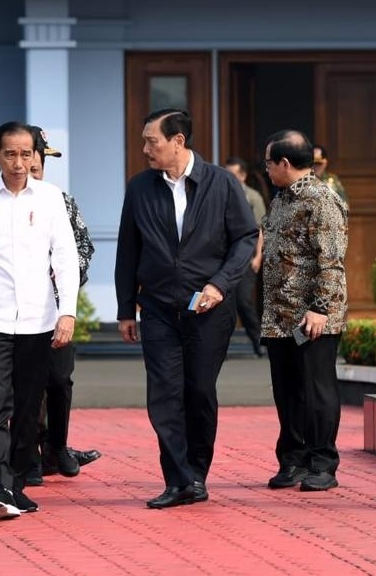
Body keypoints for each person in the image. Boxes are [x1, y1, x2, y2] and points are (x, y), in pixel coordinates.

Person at [114, 109, 257, 509]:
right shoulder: (140, 187)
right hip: (158, 307)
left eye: (151, 141)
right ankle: (178, 479)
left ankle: (197, 473)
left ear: (178, 141)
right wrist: (127, 308)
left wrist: (220, 284)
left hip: (209, 309)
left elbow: (245, 238)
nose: (145, 149)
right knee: (163, 393)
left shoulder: (222, 183)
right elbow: (129, 249)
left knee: (198, 390)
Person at [0, 121, 79, 520]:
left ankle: (17, 484)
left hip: (38, 320)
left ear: (35, 156)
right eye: (11, 153)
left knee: (28, 408)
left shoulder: (50, 198)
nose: (19, 161)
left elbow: (65, 257)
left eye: (26, 154)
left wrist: (67, 311)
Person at [259, 131, 348, 492]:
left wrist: (320, 308)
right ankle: (292, 460)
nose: (264, 170)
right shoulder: (281, 200)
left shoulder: (321, 199)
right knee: (288, 391)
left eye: (267, 163)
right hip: (280, 317)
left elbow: (331, 261)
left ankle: (323, 463)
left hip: (313, 317)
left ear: (284, 163)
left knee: (317, 391)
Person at [26, 127, 101, 484]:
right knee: (25, 384)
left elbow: (84, 249)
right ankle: (30, 452)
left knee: (58, 380)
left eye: (40, 164)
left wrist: (65, 283)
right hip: (16, 309)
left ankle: (56, 445)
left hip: (55, 308)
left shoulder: (62, 201)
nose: (35, 170)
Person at [223, 156, 266, 357]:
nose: (228, 177)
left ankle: (258, 341)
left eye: (232, 174)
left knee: (243, 301)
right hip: (224, 259)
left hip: (246, 258)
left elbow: (260, 229)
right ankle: (219, 347)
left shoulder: (252, 197)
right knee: (223, 304)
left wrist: (258, 256)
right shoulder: (220, 194)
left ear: (243, 175)